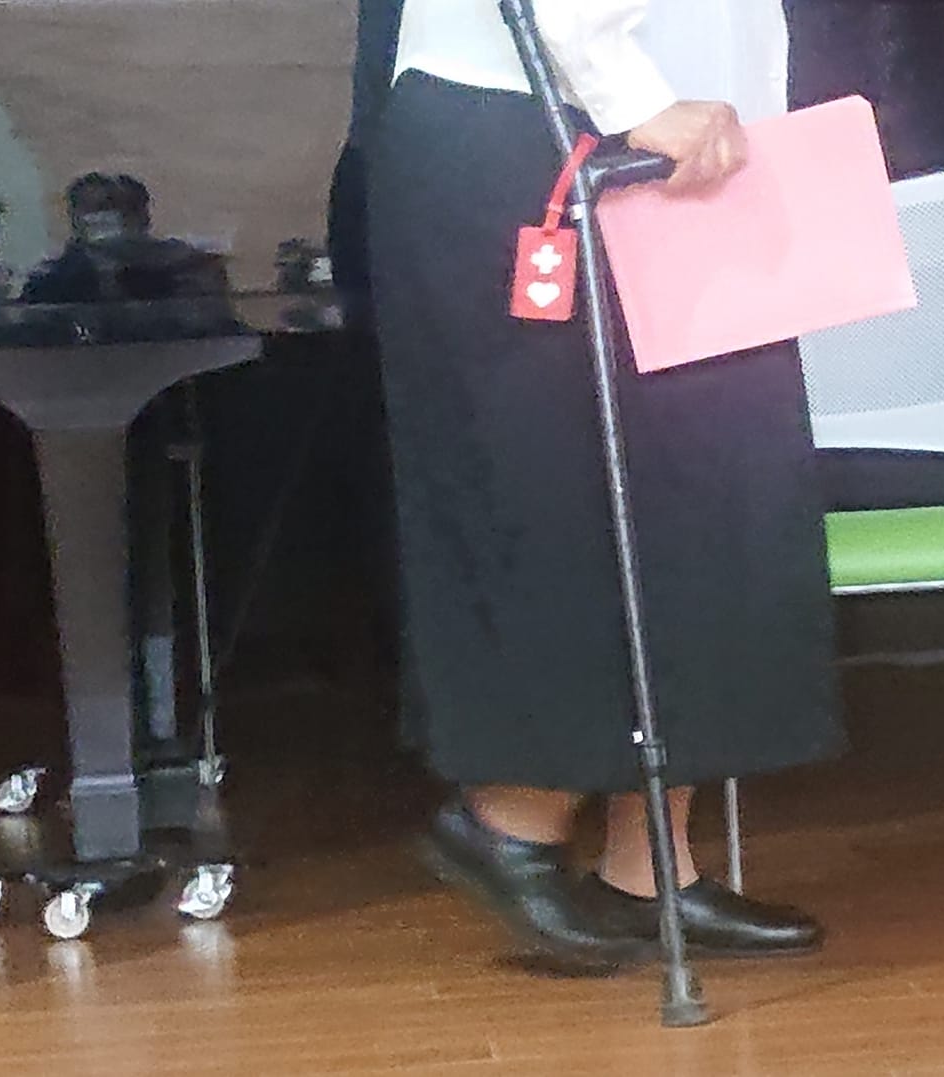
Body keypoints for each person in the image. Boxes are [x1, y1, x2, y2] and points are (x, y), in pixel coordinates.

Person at [366, 0, 843, 974]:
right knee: (560, 487)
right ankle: (511, 821)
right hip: (536, 119)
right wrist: (638, 103)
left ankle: (650, 866)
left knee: (708, 489)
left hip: (688, 132)